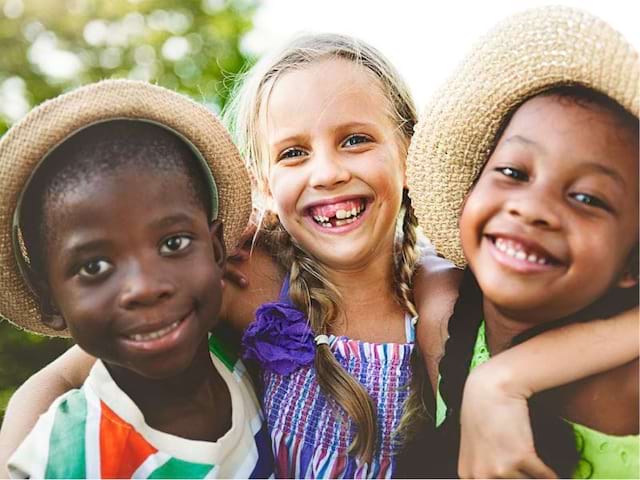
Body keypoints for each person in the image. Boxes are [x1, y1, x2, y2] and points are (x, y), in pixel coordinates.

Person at [0, 33, 637, 479]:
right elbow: (59, 378)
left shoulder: (442, 294)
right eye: (294, 153)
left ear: (408, 153)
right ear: (264, 185)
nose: (327, 172)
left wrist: (504, 382)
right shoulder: (241, 277)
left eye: (355, 140)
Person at [398, 6, 639, 478]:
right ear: (471, 191)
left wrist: (505, 379)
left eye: (587, 197)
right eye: (512, 172)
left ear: (632, 264)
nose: (532, 208)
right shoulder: (442, 310)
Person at [0, 80, 273, 479]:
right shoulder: (66, 461)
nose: (145, 287)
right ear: (49, 302)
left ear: (216, 250)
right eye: (94, 267)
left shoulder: (240, 351)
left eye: (173, 243)